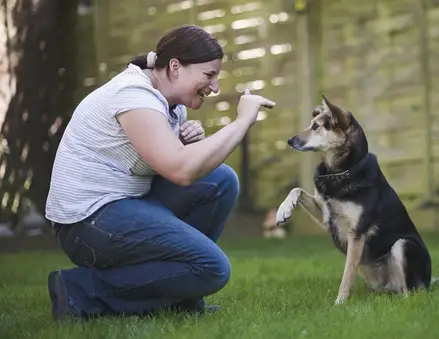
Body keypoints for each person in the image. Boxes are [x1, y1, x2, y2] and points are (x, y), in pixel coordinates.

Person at [45, 24, 276, 321]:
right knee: (212, 268)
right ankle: (79, 291)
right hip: (87, 223)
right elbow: (180, 170)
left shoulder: (170, 104)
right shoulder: (133, 95)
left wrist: (182, 143)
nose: (215, 86)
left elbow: (174, 164)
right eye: (209, 75)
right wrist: (241, 123)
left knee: (221, 180)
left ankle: (180, 298)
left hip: (124, 204)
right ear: (176, 67)